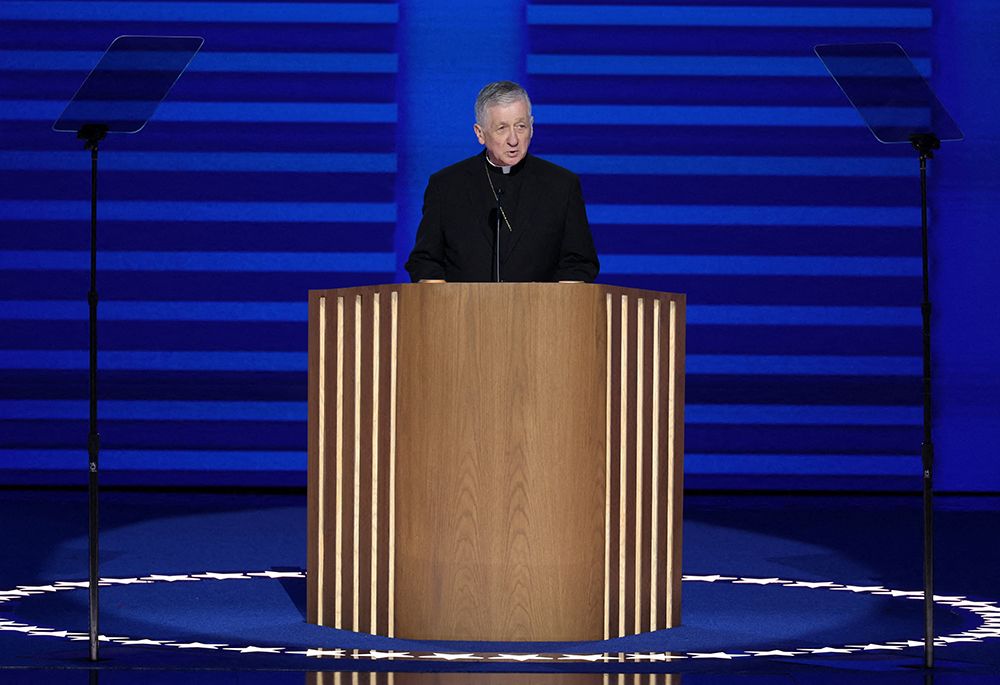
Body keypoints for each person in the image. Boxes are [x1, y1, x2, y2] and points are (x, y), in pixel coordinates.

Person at [404, 81, 600, 283]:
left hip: (541, 312)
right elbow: (425, 261)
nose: (513, 139)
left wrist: (556, 302)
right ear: (480, 133)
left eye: (521, 126)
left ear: (532, 127)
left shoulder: (562, 185)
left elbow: (580, 262)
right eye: (502, 128)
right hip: (465, 311)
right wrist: (446, 301)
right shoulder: (446, 186)